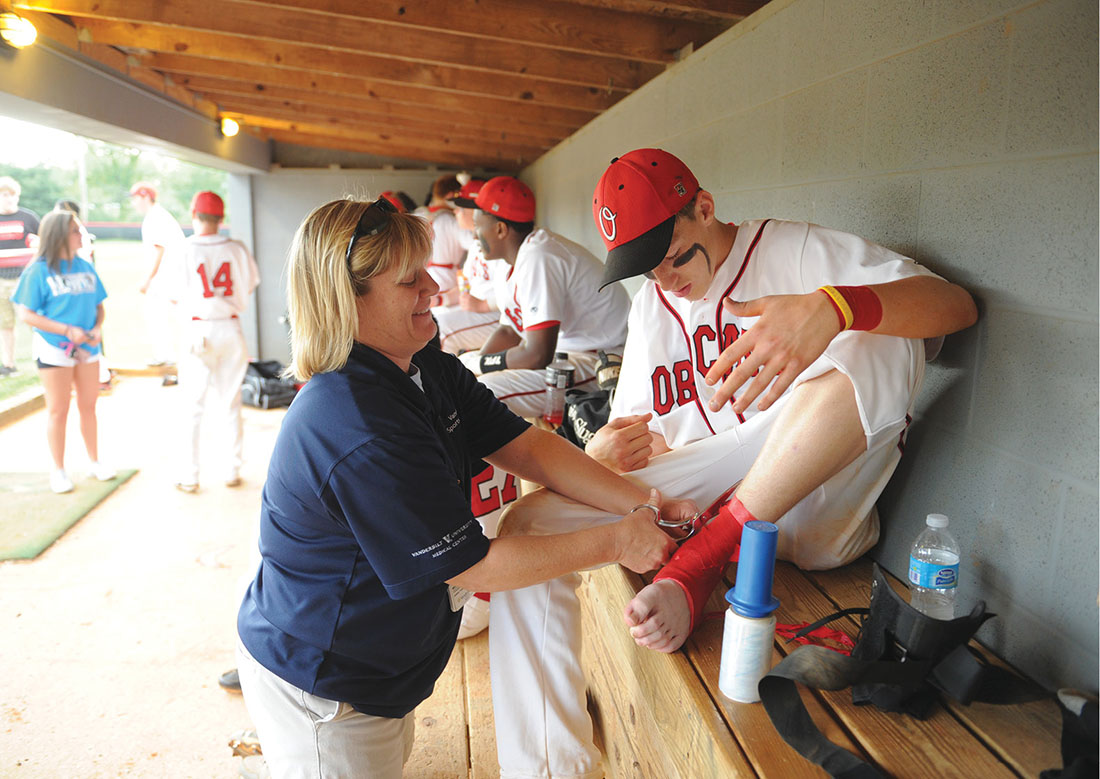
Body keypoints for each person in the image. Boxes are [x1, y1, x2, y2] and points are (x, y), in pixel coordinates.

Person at [487, 148, 978, 778]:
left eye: (670, 256)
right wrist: (600, 453)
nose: (663, 279)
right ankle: (547, 769)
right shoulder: (652, 304)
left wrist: (835, 307)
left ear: (704, 208)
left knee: (883, 340)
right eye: (644, 268)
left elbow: (956, 306)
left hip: (812, 509)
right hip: (697, 496)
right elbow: (640, 434)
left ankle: (706, 557)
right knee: (530, 525)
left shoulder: (791, 251)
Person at [234, 196, 692, 778]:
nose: (435, 288)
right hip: (325, 686)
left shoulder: (419, 361)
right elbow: (473, 568)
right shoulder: (355, 421)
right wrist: (619, 542)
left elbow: (525, 445)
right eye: (409, 281)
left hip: (378, 668)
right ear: (348, 301)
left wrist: (646, 503)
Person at [459, 176, 632, 418]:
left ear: (500, 229)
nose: (475, 237)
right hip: (568, 353)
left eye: (479, 227)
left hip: (604, 358)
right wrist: (477, 364)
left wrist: (482, 365)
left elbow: (537, 355)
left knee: (485, 395)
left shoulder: (540, 256)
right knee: (464, 371)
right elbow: (509, 331)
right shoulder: (511, 260)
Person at [11, 209, 116, 493]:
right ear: (59, 235)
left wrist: (95, 329)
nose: (81, 236)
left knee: (89, 406)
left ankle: (95, 462)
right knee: (58, 409)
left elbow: (99, 306)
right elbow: (26, 314)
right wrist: (66, 331)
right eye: (76, 231)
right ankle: (58, 470)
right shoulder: (38, 269)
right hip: (54, 349)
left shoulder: (85, 266)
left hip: (88, 348)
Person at [171, 191, 260, 493]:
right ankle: (231, 470)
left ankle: (190, 475)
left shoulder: (183, 249)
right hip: (230, 327)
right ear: (221, 218)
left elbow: (174, 296)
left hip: (198, 328)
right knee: (230, 402)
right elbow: (248, 286)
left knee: (192, 406)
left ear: (193, 215)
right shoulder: (236, 248)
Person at [433, 179, 505, 355]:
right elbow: (466, 289)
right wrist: (440, 300)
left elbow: (513, 293)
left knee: (441, 330)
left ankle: (438, 382)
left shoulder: (499, 243)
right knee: (432, 318)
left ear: (475, 210)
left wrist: (482, 305)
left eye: (460, 207)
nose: (456, 211)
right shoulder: (475, 244)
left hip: (498, 315)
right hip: (478, 311)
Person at [129, 181, 185, 373]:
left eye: (135, 198)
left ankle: (166, 357)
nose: (134, 203)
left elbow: (159, 250)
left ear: (145, 197)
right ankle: (169, 357)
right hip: (173, 276)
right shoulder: (159, 215)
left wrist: (147, 278)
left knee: (160, 316)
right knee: (169, 317)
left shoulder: (155, 217)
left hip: (168, 277)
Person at [0, 176, 40, 376]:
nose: (7, 199)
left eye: (11, 194)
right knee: (5, 324)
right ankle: (8, 364)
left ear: (17, 196)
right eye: (3, 195)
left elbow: (43, 244)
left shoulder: (29, 218)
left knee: (33, 320)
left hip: (24, 279)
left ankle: (43, 359)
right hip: (0, 281)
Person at [422, 173, 471, 307]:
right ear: (451, 195)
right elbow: (475, 244)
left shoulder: (418, 215)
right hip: (447, 286)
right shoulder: (453, 220)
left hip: (422, 282)